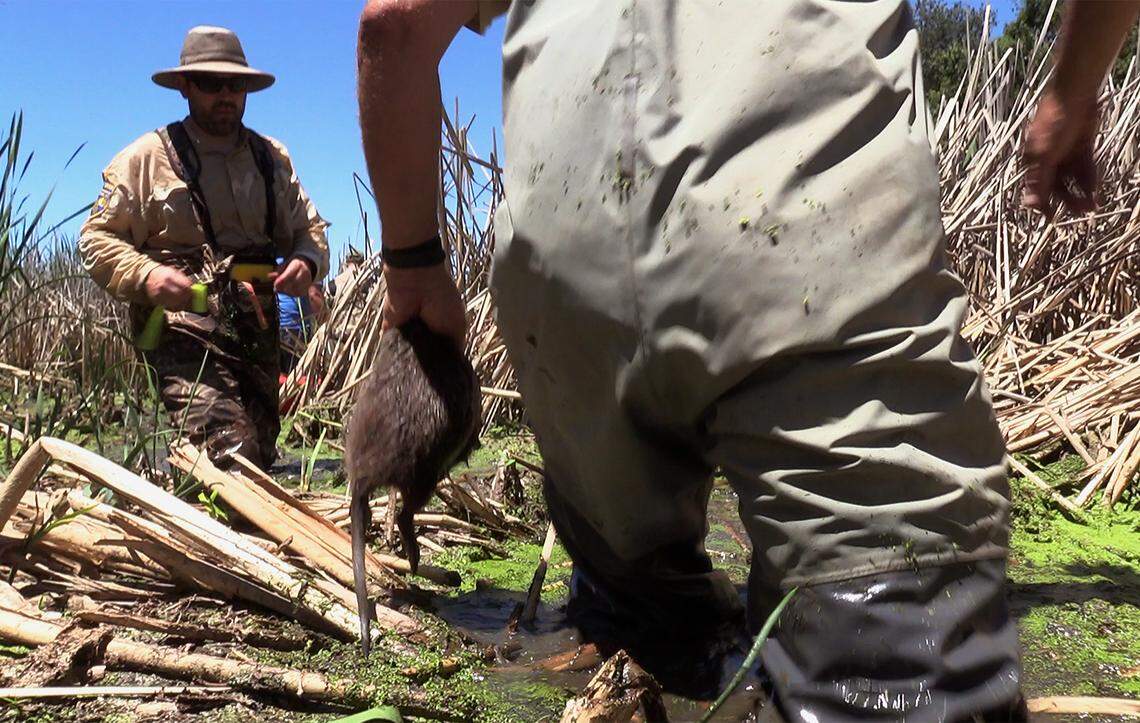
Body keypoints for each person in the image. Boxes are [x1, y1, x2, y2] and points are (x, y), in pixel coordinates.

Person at [357, 1, 1134, 719]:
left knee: (639, 629)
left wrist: (414, 263)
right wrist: (1070, 92)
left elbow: (391, 25)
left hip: (560, 281)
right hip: (798, 239)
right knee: (897, 665)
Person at [79, 26, 329, 471]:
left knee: (260, 455)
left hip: (256, 324)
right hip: (183, 327)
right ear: (186, 87)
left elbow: (309, 230)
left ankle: (186, 472)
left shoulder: (272, 158)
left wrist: (306, 263)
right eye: (212, 84)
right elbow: (96, 239)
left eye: (235, 84)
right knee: (233, 455)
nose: (225, 94)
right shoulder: (145, 158)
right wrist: (148, 276)